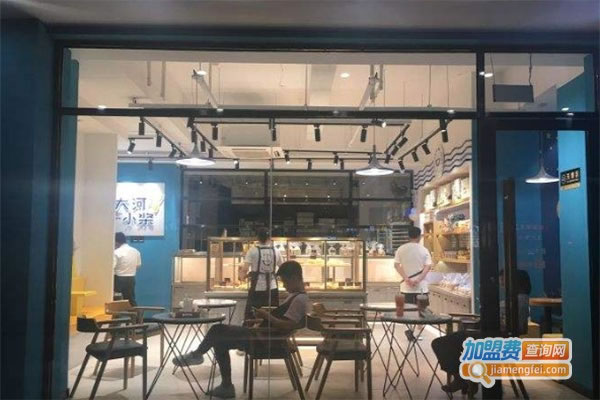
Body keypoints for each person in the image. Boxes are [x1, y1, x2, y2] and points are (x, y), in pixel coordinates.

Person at [173, 261, 308, 399]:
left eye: (285, 281)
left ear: (294, 278)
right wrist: (261, 319)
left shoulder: (299, 299)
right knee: (219, 340)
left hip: (264, 341)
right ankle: (224, 384)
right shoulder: (295, 296)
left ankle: (200, 358)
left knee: (217, 330)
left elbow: (287, 325)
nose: (284, 285)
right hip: (262, 336)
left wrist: (266, 316)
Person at [431, 269, 532, 394]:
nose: (501, 283)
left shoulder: (517, 301)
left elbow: (511, 324)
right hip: (493, 334)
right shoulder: (518, 299)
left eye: (503, 279)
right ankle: (467, 378)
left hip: (493, 337)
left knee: (440, 343)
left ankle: (461, 377)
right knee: (452, 342)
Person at [240, 228, 283, 322]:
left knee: (253, 316)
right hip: (272, 287)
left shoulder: (252, 251)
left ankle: (254, 330)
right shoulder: (276, 250)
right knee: (273, 315)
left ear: (258, 238)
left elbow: (244, 269)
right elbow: (282, 267)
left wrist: (242, 277)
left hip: (257, 288)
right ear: (269, 238)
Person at [394, 226, 433, 304]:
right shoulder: (424, 250)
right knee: (422, 310)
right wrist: (418, 280)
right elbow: (428, 266)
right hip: (421, 288)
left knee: (407, 310)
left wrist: (406, 279)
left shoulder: (401, 249)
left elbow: (396, 265)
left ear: (408, 236)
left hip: (406, 288)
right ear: (419, 236)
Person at [113, 232, 141, 306]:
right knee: (131, 300)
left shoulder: (116, 252)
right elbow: (138, 266)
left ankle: (117, 314)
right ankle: (135, 313)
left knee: (116, 301)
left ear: (116, 242)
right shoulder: (136, 251)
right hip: (131, 279)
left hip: (118, 279)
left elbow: (112, 267)